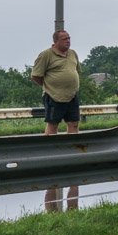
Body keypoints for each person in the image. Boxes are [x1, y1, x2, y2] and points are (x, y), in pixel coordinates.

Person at [31, 29, 82, 211]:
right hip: (54, 96)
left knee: (73, 124)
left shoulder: (73, 54)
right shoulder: (46, 55)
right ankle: (51, 154)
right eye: (64, 38)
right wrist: (50, 86)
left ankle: (72, 154)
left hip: (72, 95)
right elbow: (36, 76)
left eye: (69, 38)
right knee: (52, 125)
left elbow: (76, 71)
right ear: (55, 41)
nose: (68, 41)